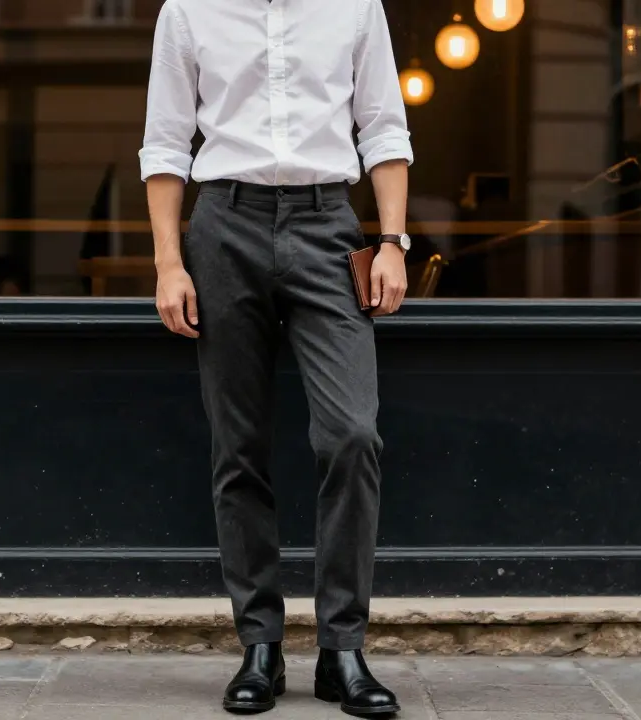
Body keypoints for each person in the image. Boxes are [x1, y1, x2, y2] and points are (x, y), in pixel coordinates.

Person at [140, 0, 413, 715]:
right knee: (239, 447)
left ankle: (342, 649)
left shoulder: (356, 7)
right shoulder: (188, 10)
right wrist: (170, 263)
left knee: (353, 434)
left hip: (328, 225)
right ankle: (259, 645)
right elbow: (166, 141)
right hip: (224, 224)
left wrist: (392, 241)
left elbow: (384, 125)